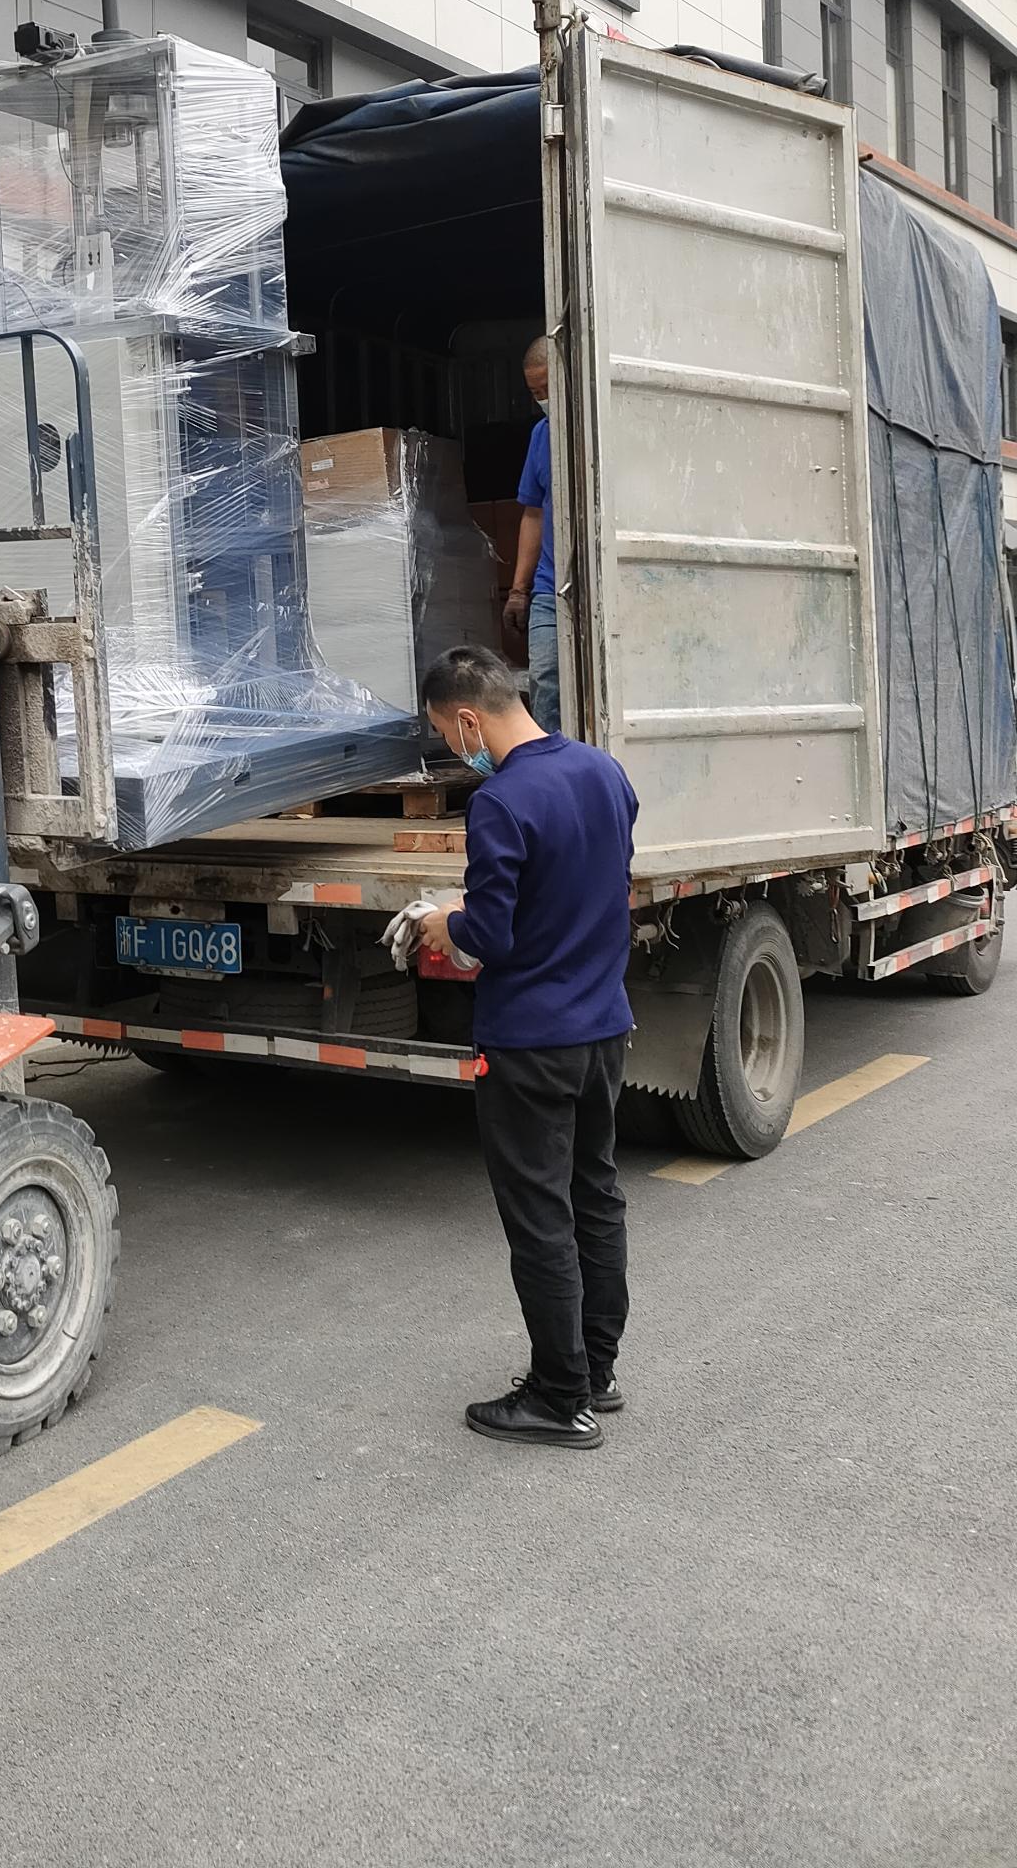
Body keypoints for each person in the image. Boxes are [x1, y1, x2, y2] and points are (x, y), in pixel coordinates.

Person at [417, 645, 637, 1451]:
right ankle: (596, 1373)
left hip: (529, 1041)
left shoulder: (501, 802)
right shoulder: (603, 772)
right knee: (595, 1197)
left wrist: (445, 921)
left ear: (468, 718)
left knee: (541, 1218)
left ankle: (558, 1398)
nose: (454, 750)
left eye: (448, 735)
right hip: (603, 1027)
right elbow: (600, 880)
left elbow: (492, 936)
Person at [502, 336, 560, 735]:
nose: (542, 400)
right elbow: (533, 513)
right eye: (534, 393)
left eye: (547, 389)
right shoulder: (541, 435)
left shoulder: (599, 427)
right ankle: (551, 764)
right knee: (545, 681)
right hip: (550, 587)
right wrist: (519, 591)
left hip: (600, 587)